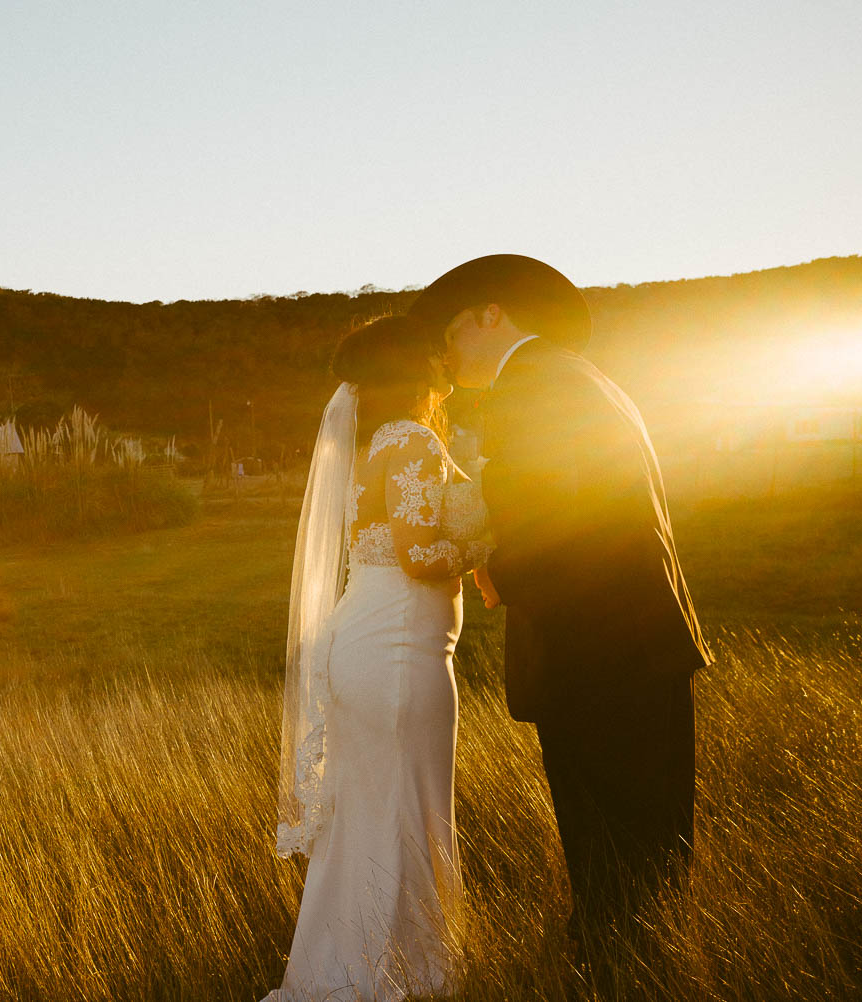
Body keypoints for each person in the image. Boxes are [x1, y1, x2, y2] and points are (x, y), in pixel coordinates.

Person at [406, 255, 712, 957]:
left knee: (612, 853)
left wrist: (493, 566)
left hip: (594, 650)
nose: (445, 355)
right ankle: (646, 963)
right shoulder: (583, 379)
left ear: (491, 315)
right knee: (649, 844)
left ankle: (619, 974)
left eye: (450, 332)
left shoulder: (532, 388)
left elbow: (550, 516)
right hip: (633, 643)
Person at [267, 315, 491, 1001]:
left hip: (370, 637)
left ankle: (341, 971)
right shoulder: (415, 443)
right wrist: (490, 542)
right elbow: (419, 554)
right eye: (434, 349)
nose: (445, 361)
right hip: (397, 648)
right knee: (408, 806)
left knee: (370, 809)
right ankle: (403, 976)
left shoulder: (375, 447)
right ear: (416, 368)